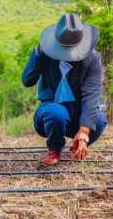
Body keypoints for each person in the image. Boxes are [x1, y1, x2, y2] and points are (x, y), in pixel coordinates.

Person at [22, 13, 106, 165]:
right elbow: (27, 81)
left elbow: (91, 95)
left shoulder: (92, 59)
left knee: (98, 120)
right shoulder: (45, 53)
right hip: (51, 112)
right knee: (56, 113)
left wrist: (84, 132)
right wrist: (38, 54)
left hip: (77, 113)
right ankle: (55, 147)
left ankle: (78, 144)